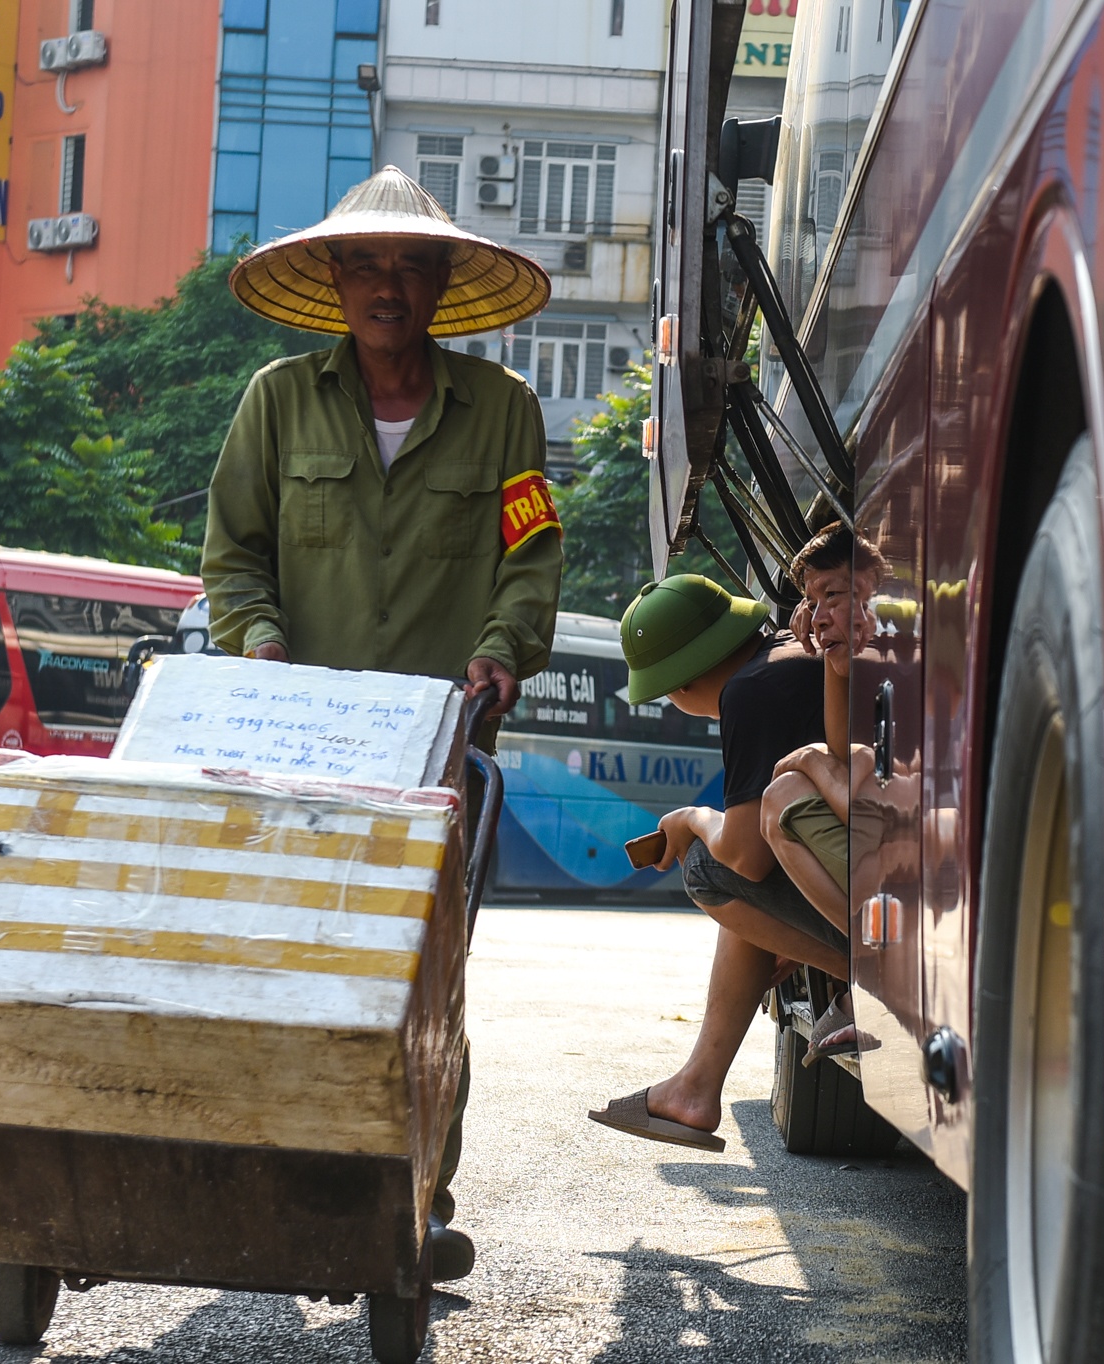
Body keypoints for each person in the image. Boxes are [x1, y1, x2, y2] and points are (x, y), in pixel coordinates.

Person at [201, 165, 562, 1281]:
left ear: (444, 283)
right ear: (336, 278)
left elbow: (533, 557)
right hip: (299, 749)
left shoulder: (504, 411)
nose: (389, 286)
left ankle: (416, 1198)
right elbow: (233, 559)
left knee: (423, 982)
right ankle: (275, 1183)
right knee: (280, 968)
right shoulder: (275, 400)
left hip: (440, 755)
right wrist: (258, 643)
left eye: (412, 266)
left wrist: (500, 653)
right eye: (369, 265)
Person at [587, 574, 845, 1151]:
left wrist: (690, 819)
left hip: (879, 908)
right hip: (881, 870)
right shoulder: (788, 651)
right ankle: (695, 1088)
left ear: (680, 684)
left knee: (707, 866)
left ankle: (870, 981)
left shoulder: (751, 690)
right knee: (735, 883)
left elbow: (746, 860)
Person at [760, 524, 883, 1059]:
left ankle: (880, 973)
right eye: (811, 602)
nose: (819, 615)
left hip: (936, 871)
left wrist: (810, 758)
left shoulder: (907, 653)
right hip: (903, 865)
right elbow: (844, 748)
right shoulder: (861, 657)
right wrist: (830, 656)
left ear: (876, 591)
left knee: (782, 797)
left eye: (833, 593)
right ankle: (874, 968)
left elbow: (869, 808)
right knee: (784, 793)